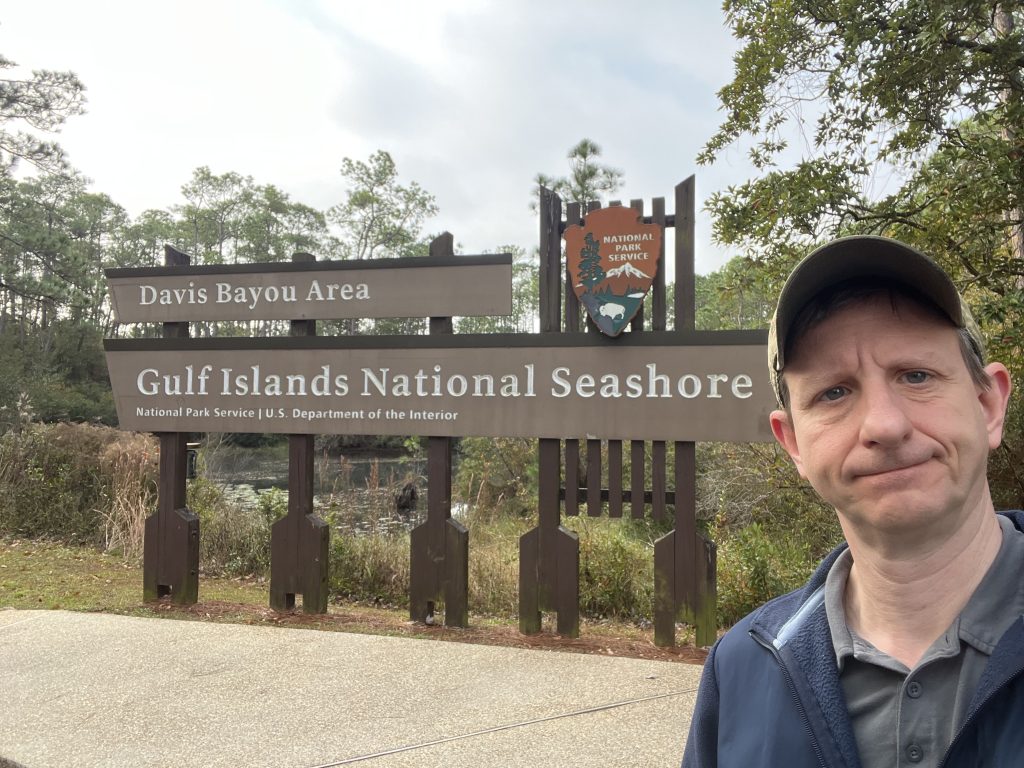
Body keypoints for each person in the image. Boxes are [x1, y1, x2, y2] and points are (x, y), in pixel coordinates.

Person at [682, 235, 1024, 767]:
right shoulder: (742, 668)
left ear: (988, 404)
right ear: (792, 441)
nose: (884, 425)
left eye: (916, 375)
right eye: (834, 393)